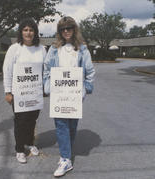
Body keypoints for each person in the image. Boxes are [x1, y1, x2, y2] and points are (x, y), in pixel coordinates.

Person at [43, 16, 95, 177]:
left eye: (69, 28)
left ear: (74, 29)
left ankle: (67, 156)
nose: (66, 31)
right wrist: (48, 87)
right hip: (59, 94)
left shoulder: (82, 49)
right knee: (61, 126)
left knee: (72, 126)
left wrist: (85, 89)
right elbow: (46, 70)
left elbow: (90, 72)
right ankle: (65, 158)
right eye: (63, 29)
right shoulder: (53, 49)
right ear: (59, 31)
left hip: (75, 95)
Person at [3, 18, 46, 164]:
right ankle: (20, 149)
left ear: (35, 32)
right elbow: (7, 70)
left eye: (31, 30)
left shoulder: (41, 49)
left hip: (35, 92)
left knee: (32, 120)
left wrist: (45, 88)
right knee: (21, 121)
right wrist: (8, 91)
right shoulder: (14, 49)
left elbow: (45, 70)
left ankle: (30, 143)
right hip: (19, 93)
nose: (28, 33)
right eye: (25, 30)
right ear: (21, 32)